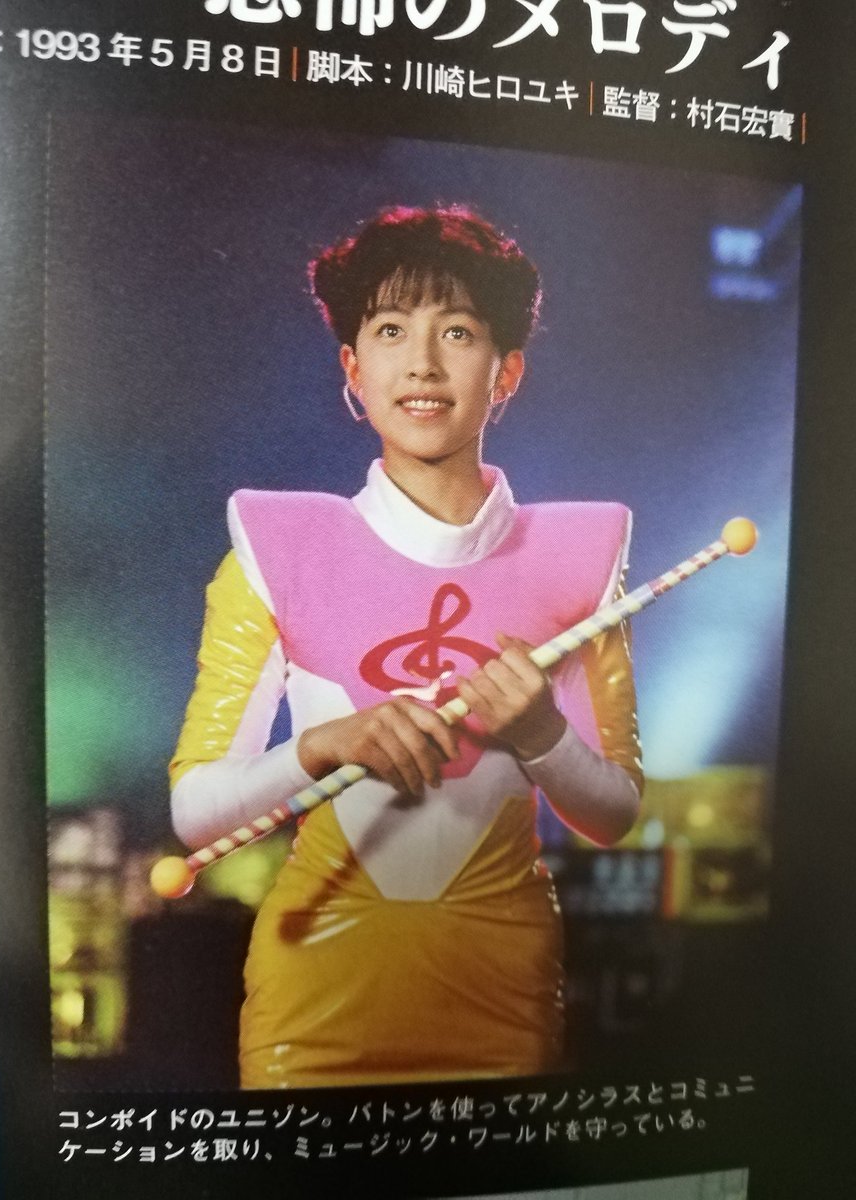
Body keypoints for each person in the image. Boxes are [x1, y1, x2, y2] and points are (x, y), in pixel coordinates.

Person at [169, 205, 643, 1088]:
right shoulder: (278, 545)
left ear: (506, 371)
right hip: (313, 996)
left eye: (457, 331)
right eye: (390, 330)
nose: (422, 364)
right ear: (353, 367)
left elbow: (613, 813)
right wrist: (323, 746)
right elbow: (198, 814)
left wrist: (541, 733)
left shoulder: (579, 553)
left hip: (504, 991)